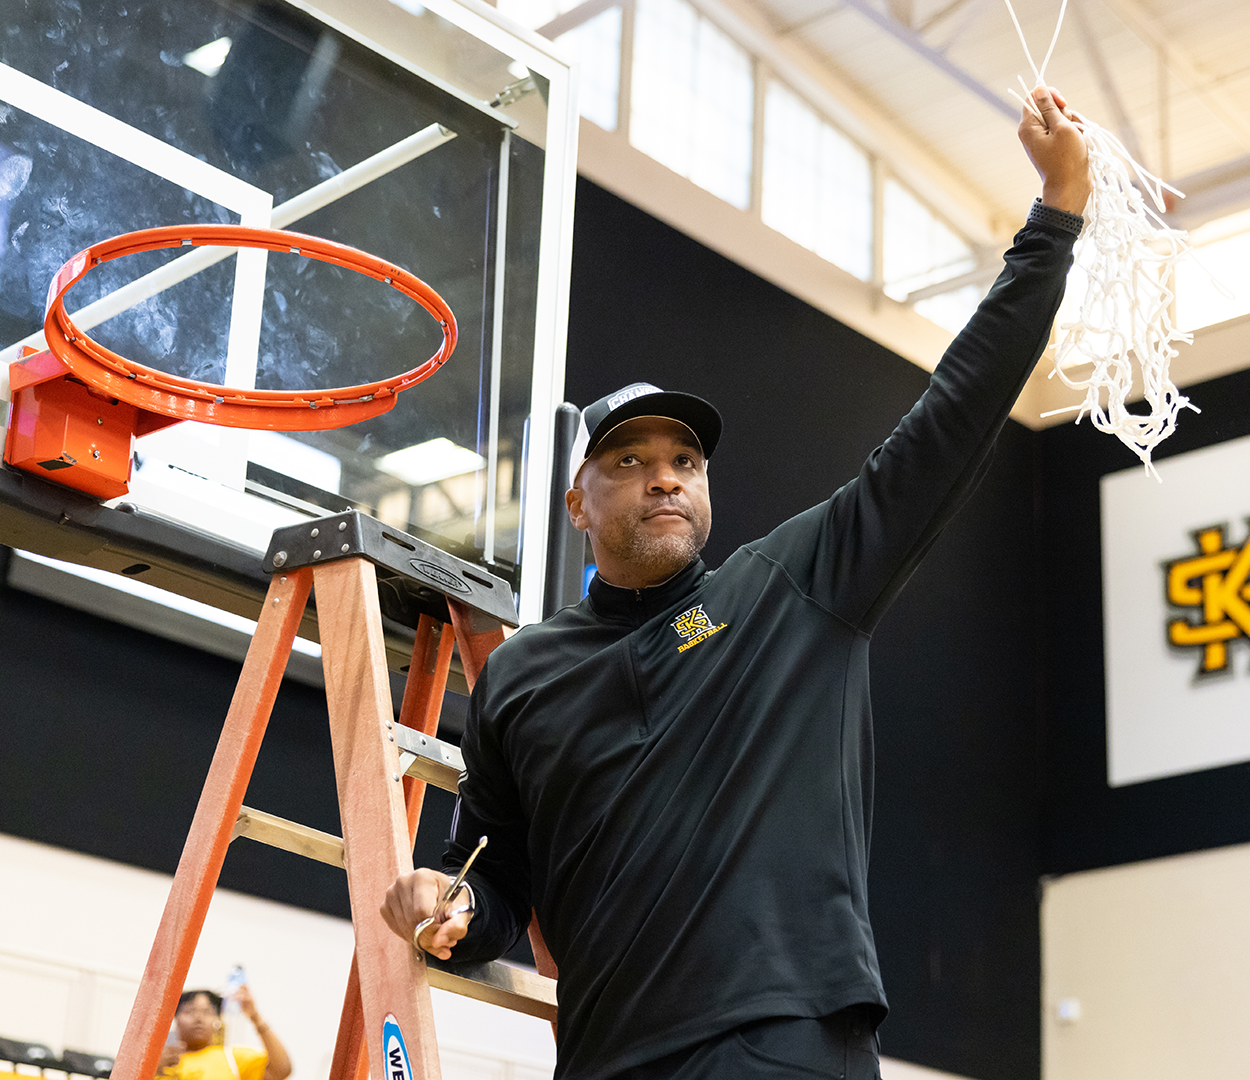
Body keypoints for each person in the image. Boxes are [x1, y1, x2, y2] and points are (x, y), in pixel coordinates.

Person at [381, 83, 1094, 1080]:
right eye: (627, 461)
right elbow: (499, 886)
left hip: (781, 1042)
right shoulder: (522, 676)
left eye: (684, 459)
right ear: (577, 503)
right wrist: (447, 905)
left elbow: (954, 415)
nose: (663, 474)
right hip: (605, 1060)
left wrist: (1054, 219)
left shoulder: (794, 587)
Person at [152, 988, 292, 1080]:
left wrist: (254, 1016)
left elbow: (281, 1070)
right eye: (190, 1011)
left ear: (217, 1020)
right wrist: (151, 1067)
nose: (198, 1018)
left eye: (207, 1012)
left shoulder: (232, 1058)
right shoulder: (160, 1062)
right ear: (176, 1017)